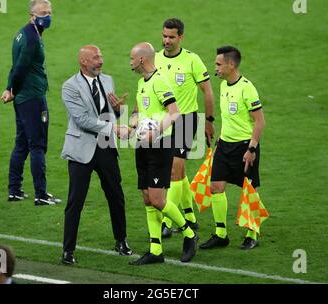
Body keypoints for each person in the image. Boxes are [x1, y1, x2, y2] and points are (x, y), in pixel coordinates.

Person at [128, 42, 198, 265]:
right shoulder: (141, 83)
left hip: (159, 146)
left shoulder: (160, 81)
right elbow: (140, 113)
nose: (130, 61)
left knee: (158, 199)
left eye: (132, 58)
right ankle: (155, 250)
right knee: (148, 198)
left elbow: (174, 113)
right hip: (142, 146)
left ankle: (189, 233)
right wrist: (129, 126)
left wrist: (156, 131)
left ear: (141, 59)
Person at [61, 45, 132, 265]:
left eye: (101, 56)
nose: (100, 61)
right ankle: (68, 250)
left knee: (116, 196)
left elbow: (110, 114)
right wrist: (114, 129)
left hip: (106, 147)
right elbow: (82, 119)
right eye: (95, 58)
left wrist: (119, 109)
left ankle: (121, 240)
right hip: (81, 150)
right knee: (76, 201)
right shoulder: (70, 87)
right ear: (83, 61)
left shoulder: (108, 80)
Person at [200, 46, 266, 250]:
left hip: (245, 148)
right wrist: (220, 138)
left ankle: (252, 233)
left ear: (231, 65)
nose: (216, 68)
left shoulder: (247, 88)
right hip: (225, 145)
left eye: (219, 64)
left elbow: (260, 122)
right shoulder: (224, 86)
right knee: (215, 187)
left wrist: (252, 149)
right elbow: (230, 118)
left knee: (250, 190)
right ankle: (221, 234)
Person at [155, 18, 215, 237]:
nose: (166, 41)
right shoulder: (156, 59)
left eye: (171, 37)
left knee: (173, 171)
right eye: (164, 36)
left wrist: (209, 121)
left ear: (181, 37)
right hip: (163, 122)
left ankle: (167, 223)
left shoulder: (192, 60)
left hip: (185, 121)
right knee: (177, 173)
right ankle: (189, 215)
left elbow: (207, 92)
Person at [1, 0, 60, 206]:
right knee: (37, 145)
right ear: (32, 16)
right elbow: (19, 68)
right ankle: (41, 195)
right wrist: (13, 89)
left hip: (24, 98)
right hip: (32, 98)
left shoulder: (22, 33)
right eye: (43, 13)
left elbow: (15, 66)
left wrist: (9, 89)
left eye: (49, 12)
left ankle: (14, 190)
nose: (47, 16)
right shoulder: (32, 39)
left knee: (21, 144)